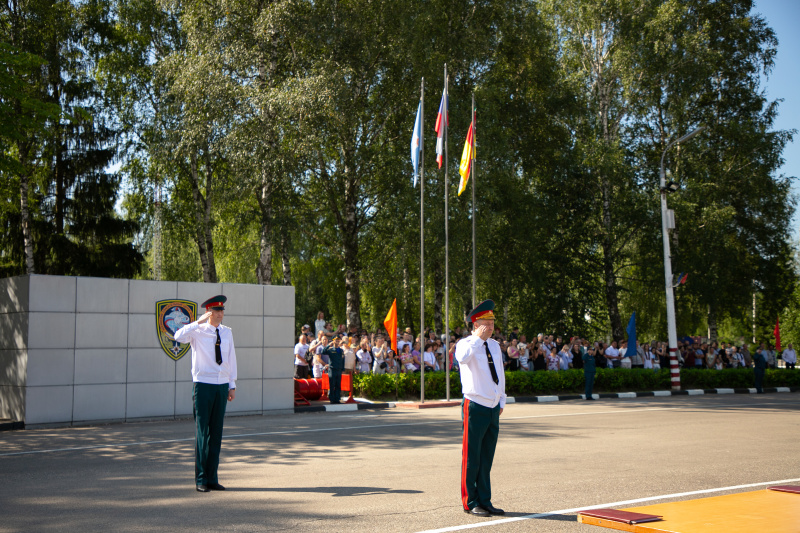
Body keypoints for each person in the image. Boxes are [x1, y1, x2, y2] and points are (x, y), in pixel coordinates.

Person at [173, 295, 237, 493]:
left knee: (216, 434)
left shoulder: (227, 333)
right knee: (202, 433)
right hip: (203, 385)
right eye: (216, 311)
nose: (220, 314)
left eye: (222, 311)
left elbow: (230, 358)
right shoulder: (197, 331)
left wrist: (231, 384)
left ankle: (212, 478)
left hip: (221, 385)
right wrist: (197, 322)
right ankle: (200, 479)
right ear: (208, 312)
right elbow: (177, 337)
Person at [455, 300, 506, 517]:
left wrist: (501, 400)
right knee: (472, 456)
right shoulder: (466, 344)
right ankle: (470, 501)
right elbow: (462, 358)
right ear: (476, 324)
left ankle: (485, 500)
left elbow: (500, 375)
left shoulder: (494, 345)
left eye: (492, 322)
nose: (491, 326)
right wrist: (477, 338)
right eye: (486, 322)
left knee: (486, 458)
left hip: (493, 407)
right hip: (475, 405)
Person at [323, 336, 345, 403]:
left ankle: (337, 398)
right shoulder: (330, 350)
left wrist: (342, 369)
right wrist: (329, 344)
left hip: (338, 370)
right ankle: (332, 399)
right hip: (332, 370)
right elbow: (323, 352)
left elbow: (343, 360)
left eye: (338, 340)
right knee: (332, 385)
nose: (337, 342)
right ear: (333, 341)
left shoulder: (341, 350)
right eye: (336, 340)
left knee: (338, 385)